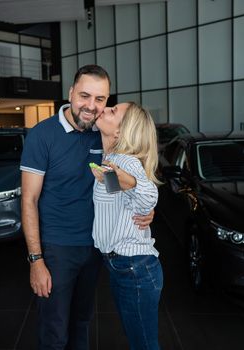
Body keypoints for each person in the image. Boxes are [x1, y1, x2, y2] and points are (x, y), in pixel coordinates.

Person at [20, 65, 154, 350]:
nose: (92, 107)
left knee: (81, 324)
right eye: (85, 96)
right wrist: (36, 260)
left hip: (94, 249)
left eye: (101, 99)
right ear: (70, 93)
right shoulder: (42, 135)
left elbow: (122, 187)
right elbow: (29, 200)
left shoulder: (105, 135)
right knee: (54, 333)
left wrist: (145, 205)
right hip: (57, 248)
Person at [91, 102, 163, 350]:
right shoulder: (110, 159)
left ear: (121, 132)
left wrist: (132, 183)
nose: (105, 108)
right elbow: (126, 203)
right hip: (122, 266)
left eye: (113, 111)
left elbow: (148, 197)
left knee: (144, 345)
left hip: (135, 268)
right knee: (138, 341)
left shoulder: (126, 163)